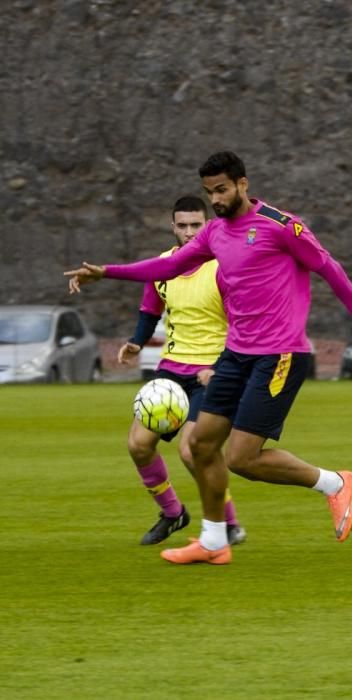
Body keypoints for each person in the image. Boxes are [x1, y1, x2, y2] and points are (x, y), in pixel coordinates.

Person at [65, 151, 352, 566]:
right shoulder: (214, 234)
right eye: (209, 192)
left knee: (242, 459)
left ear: (242, 184)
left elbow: (329, 267)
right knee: (199, 445)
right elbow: (169, 266)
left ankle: (333, 482)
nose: (215, 199)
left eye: (221, 189)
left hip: (280, 354)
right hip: (236, 353)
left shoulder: (280, 225)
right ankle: (214, 541)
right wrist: (106, 271)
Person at [118, 195, 246, 546]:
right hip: (170, 372)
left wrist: (220, 367)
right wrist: (136, 342)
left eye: (196, 225)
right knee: (138, 445)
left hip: (213, 373)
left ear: (209, 225)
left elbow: (241, 324)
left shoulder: (224, 267)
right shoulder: (162, 266)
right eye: (183, 225)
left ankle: (229, 525)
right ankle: (173, 514)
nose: (189, 232)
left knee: (192, 451)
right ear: (173, 227)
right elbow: (150, 310)